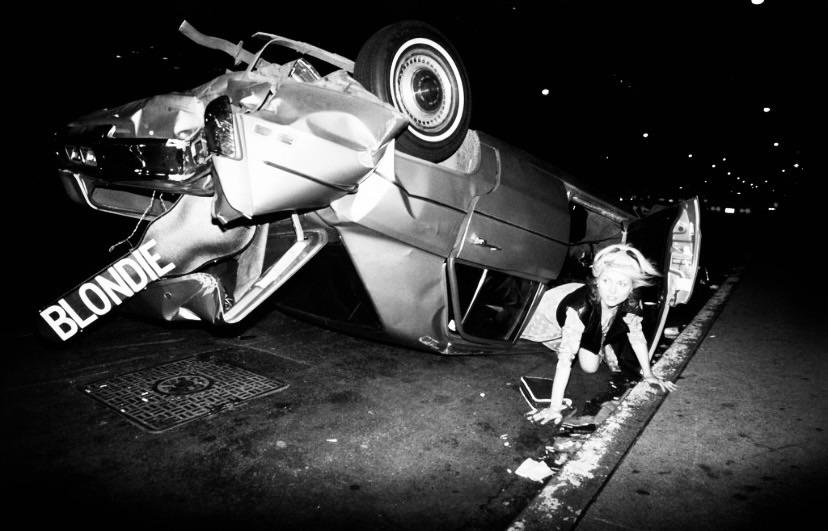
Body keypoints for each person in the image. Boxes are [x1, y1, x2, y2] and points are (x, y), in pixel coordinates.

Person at [520, 243, 678, 425]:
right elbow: (565, 361)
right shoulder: (578, 308)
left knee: (590, 367)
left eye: (621, 283)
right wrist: (555, 408)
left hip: (594, 321)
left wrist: (649, 374)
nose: (612, 290)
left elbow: (637, 337)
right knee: (561, 346)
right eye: (606, 281)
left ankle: (600, 340)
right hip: (556, 312)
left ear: (631, 288)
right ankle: (591, 339)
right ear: (597, 281)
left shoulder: (632, 302)